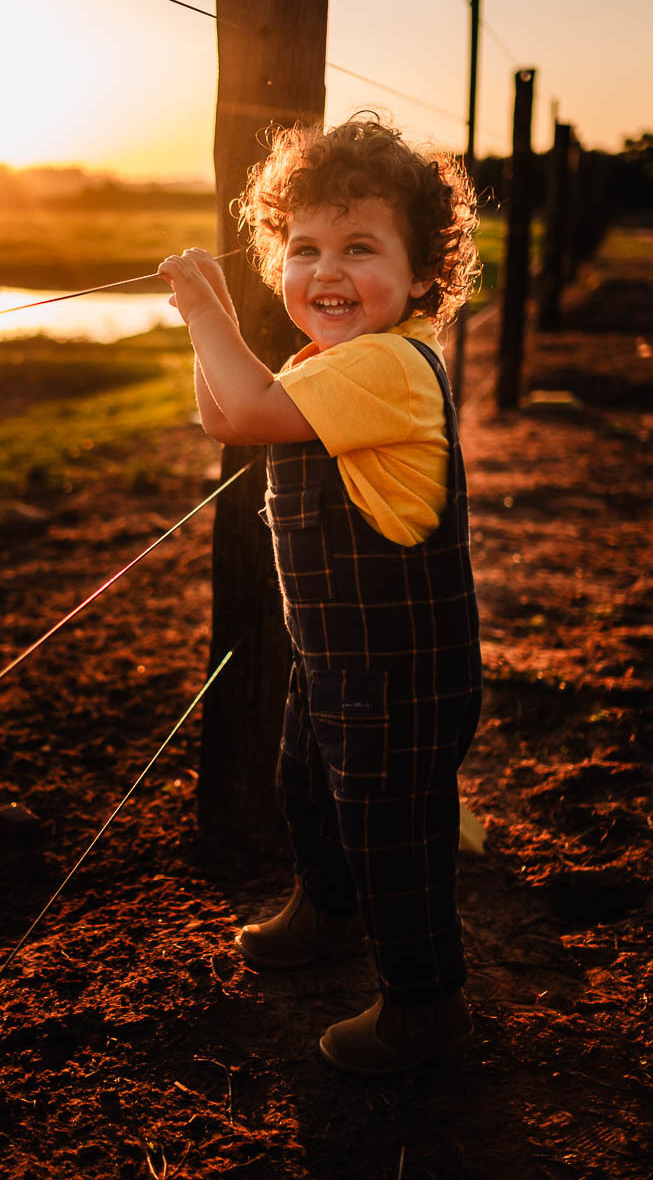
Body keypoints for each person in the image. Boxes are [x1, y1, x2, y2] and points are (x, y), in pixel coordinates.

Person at [157, 113, 482, 1076]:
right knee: (307, 785)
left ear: (423, 273)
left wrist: (209, 316)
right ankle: (329, 911)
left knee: (393, 830)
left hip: (400, 673)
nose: (325, 271)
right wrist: (202, 317)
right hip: (337, 660)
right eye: (303, 248)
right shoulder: (325, 363)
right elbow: (230, 419)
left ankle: (426, 1007)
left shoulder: (388, 365)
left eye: (359, 247)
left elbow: (246, 407)